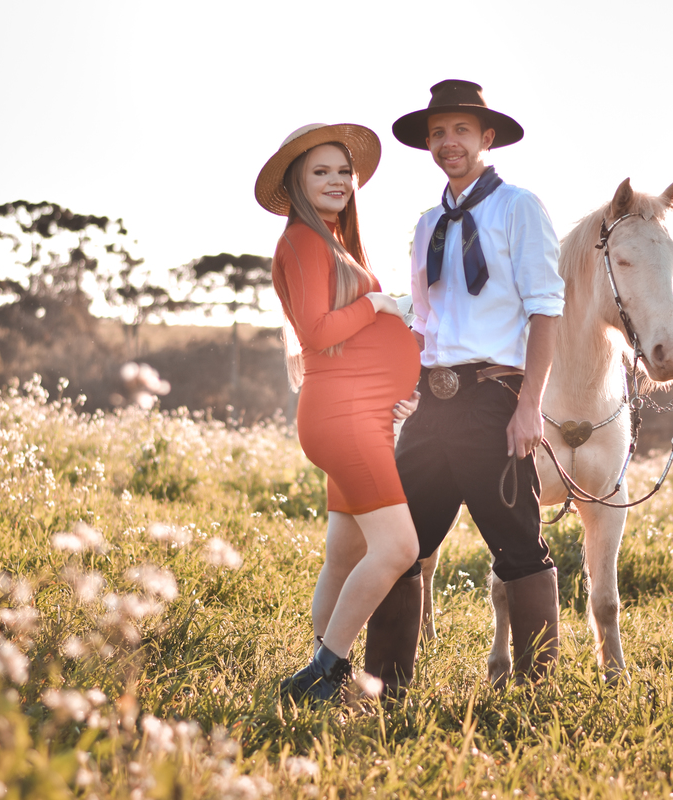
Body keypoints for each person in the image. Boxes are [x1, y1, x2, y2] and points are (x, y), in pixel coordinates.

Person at [362, 80, 565, 692]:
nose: (448, 142)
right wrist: (399, 383)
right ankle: (385, 688)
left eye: (461, 131)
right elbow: (423, 320)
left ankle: (535, 694)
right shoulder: (428, 224)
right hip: (432, 403)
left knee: (518, 547)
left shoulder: (519, 208)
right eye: (438, 133)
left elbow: (546, 310)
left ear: (486, 138)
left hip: (494, 400)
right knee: (401, 545)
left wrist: (529, 406)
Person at [254, 123, 422, 703]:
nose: (337, 181)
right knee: (398, 548)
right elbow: (318, 332)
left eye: (343, 171)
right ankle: (323, 674)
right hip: (342, 418)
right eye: (320, 171)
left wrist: (395, 387)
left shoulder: (331, 241)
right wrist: (378, 303)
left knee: (346, 553)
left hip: (359, 413)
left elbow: (353, 346)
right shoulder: (304, 240)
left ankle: (321, 668)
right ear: (297, 183)